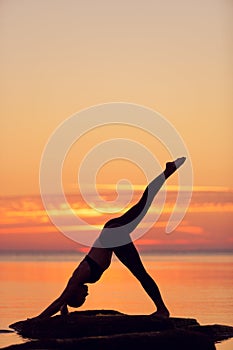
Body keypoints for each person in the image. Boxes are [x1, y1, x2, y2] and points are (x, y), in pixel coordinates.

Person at [34, 157, 186, 320]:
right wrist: (65, 311)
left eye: (82, 298)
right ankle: (167, 171)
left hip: (113, 236)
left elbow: (60, 301)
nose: (86, 295)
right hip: (111, 231)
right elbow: (63, 302)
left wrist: (37, 319)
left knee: (140, 273)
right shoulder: (75, 282)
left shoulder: (78, 278)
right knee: (144, 203)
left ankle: (162, 310)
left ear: (74, 294)